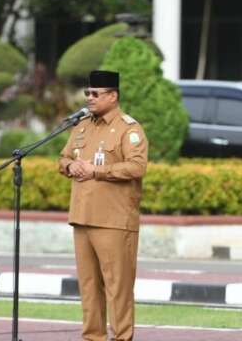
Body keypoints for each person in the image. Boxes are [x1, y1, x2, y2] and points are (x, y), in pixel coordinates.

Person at [58, 70, 148, 341]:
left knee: (117, 288)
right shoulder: (82, 126)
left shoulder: (128, 129)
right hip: (82, 217)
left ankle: (121, 338)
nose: (90, 98)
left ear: (113, 95)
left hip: (114, 221)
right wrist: (70, 165)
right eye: (87, 93)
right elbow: (62, 158)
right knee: (88, 288)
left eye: (96, 94)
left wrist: (97, 171)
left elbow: (137, 167)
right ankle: (93, 337)